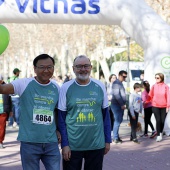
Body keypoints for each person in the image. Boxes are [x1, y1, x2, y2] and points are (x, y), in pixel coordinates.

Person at [0, 54, 61, 169]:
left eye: (49, 67)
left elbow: (57, 110)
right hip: (29, 143)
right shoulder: (23, 83)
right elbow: (3, 89)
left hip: (51, 143)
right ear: (35, 68)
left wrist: (58, 129)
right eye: (42, 67)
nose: (46, 70)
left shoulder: (56, 87)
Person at [58, 55, 111, 170]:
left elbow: (106, 116)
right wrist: (65, 145)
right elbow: (61, 119)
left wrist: (107, 140)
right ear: (73, 68)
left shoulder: (100, 86)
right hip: (73, 146)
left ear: (91, 67)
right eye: (79, 66)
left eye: (86, 66)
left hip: (96, 144)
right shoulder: (66, 87)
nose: (83, 69)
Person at [149, 73, 170, 142]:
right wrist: (153, 101)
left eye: (157, 78)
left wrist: (168, 106)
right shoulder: (154, 86)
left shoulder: (166, 86)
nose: (156, 79)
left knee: (162, 121)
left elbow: (168, 97)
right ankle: (158, 135)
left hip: (164, 106)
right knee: (158, 120)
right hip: (155, 106)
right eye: (155, 78)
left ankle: (160, 132)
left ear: (161, 78)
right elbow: (150, 95)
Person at [110, 70, 127, 144]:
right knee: (117, 121)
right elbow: (116, 95)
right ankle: (115, 138)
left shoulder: (120, 83)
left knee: (119, 121)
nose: (124, 78)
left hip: (119, 105)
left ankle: (116, 136)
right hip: (116, 105)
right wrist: (122, 104)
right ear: (119, 75)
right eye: (123, 76)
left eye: (125, 76)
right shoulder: (116, 83)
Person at [0, 75, 12, 149]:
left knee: (2, 127)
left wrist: (10, 110)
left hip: (3, 111)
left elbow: (9, 99)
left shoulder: (6, 88)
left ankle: (0, 141)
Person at [107, 74, 117, 138]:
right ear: (110, 78)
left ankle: (113, 132)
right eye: (113, 78)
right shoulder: (107, 85)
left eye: (115, 78)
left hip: (114, 104)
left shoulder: (117, 86)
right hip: (108, 104)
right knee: (109, 118)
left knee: (114, 118)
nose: (114, 79)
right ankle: (109, 131)